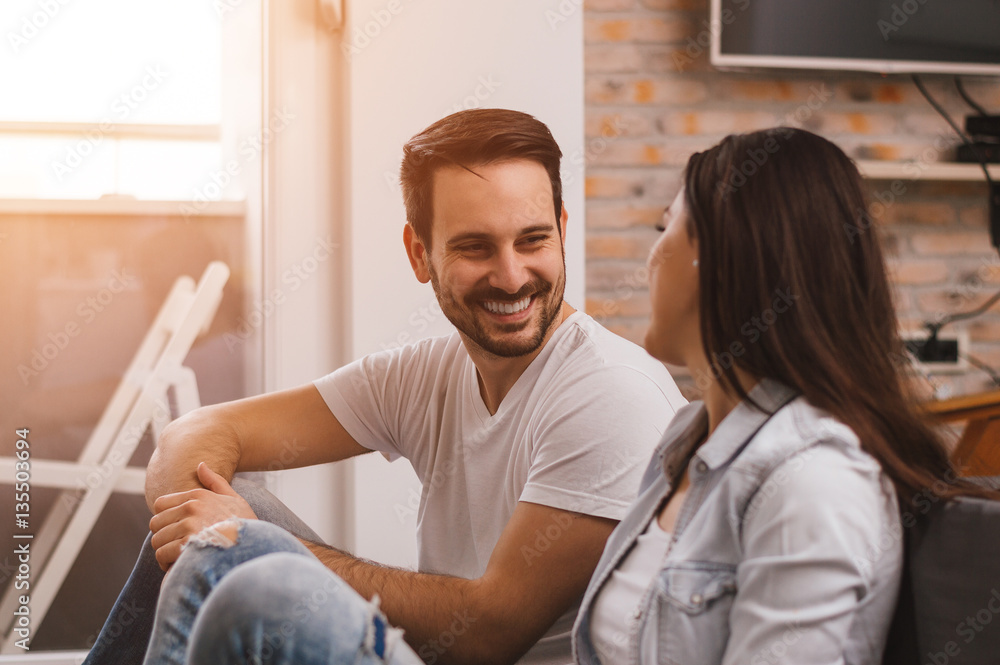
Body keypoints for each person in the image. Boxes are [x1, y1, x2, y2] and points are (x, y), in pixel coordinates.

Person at [82, 108, 687, 665]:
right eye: (475, 247)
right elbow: (199, 433)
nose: (511, 275)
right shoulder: (427, 373)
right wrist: (209, 521)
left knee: (240, 549)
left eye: (532, 239)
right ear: (419, 254)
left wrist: (247, 541)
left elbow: (489, 631)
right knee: (223, 520)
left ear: (560, 229)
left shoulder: (611, 392)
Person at [572, 127, 997, 665]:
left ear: (724, 257)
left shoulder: (813, 480)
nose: (652, 254)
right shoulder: (686, 437)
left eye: (666, 226)